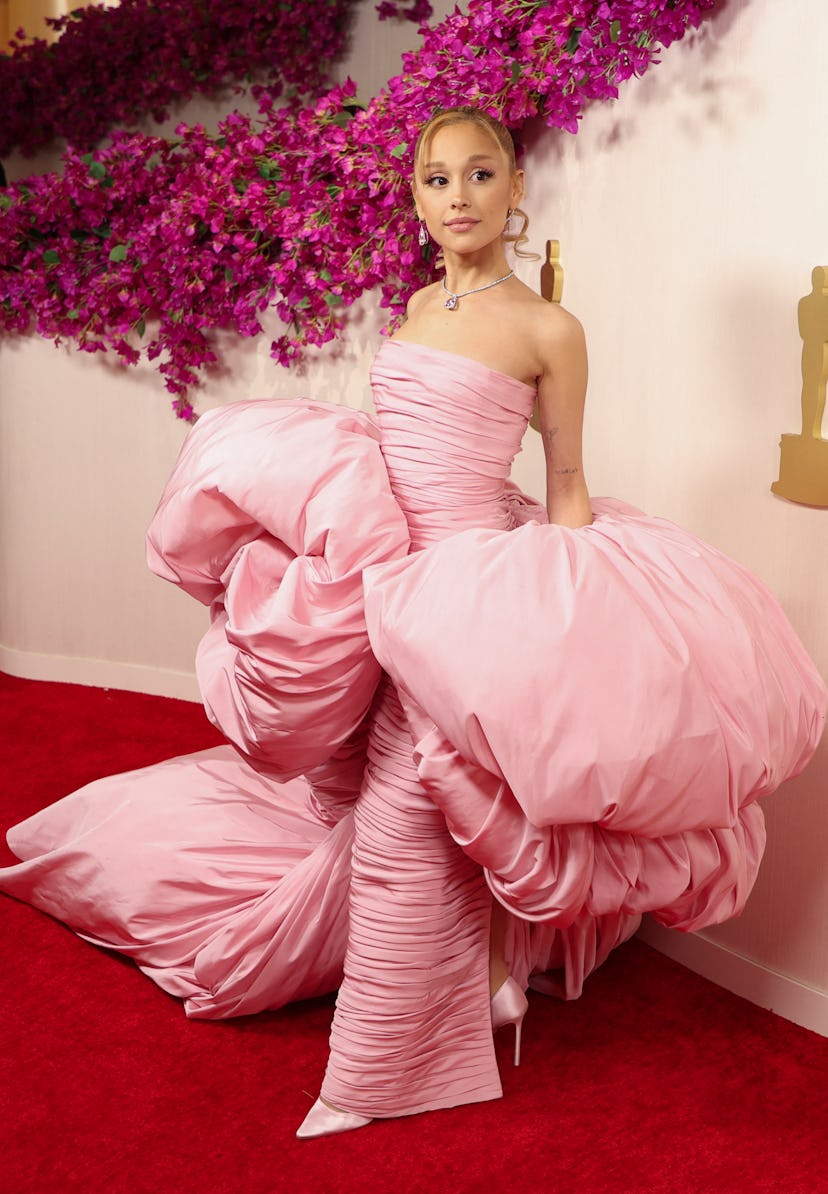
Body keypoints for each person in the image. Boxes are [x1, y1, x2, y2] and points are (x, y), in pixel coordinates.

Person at [1, 108, 825, 1140]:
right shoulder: (421, 303)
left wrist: (568, 620)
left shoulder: (550, 328)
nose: (459, 196)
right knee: (416, 807)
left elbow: (567, 482)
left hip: (468, 594)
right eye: (438, 179)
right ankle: (492, 974)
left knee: (407, 821)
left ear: (515, 189)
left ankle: (378, 1076)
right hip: (390, 581)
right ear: (417, 198)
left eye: (480, 174)